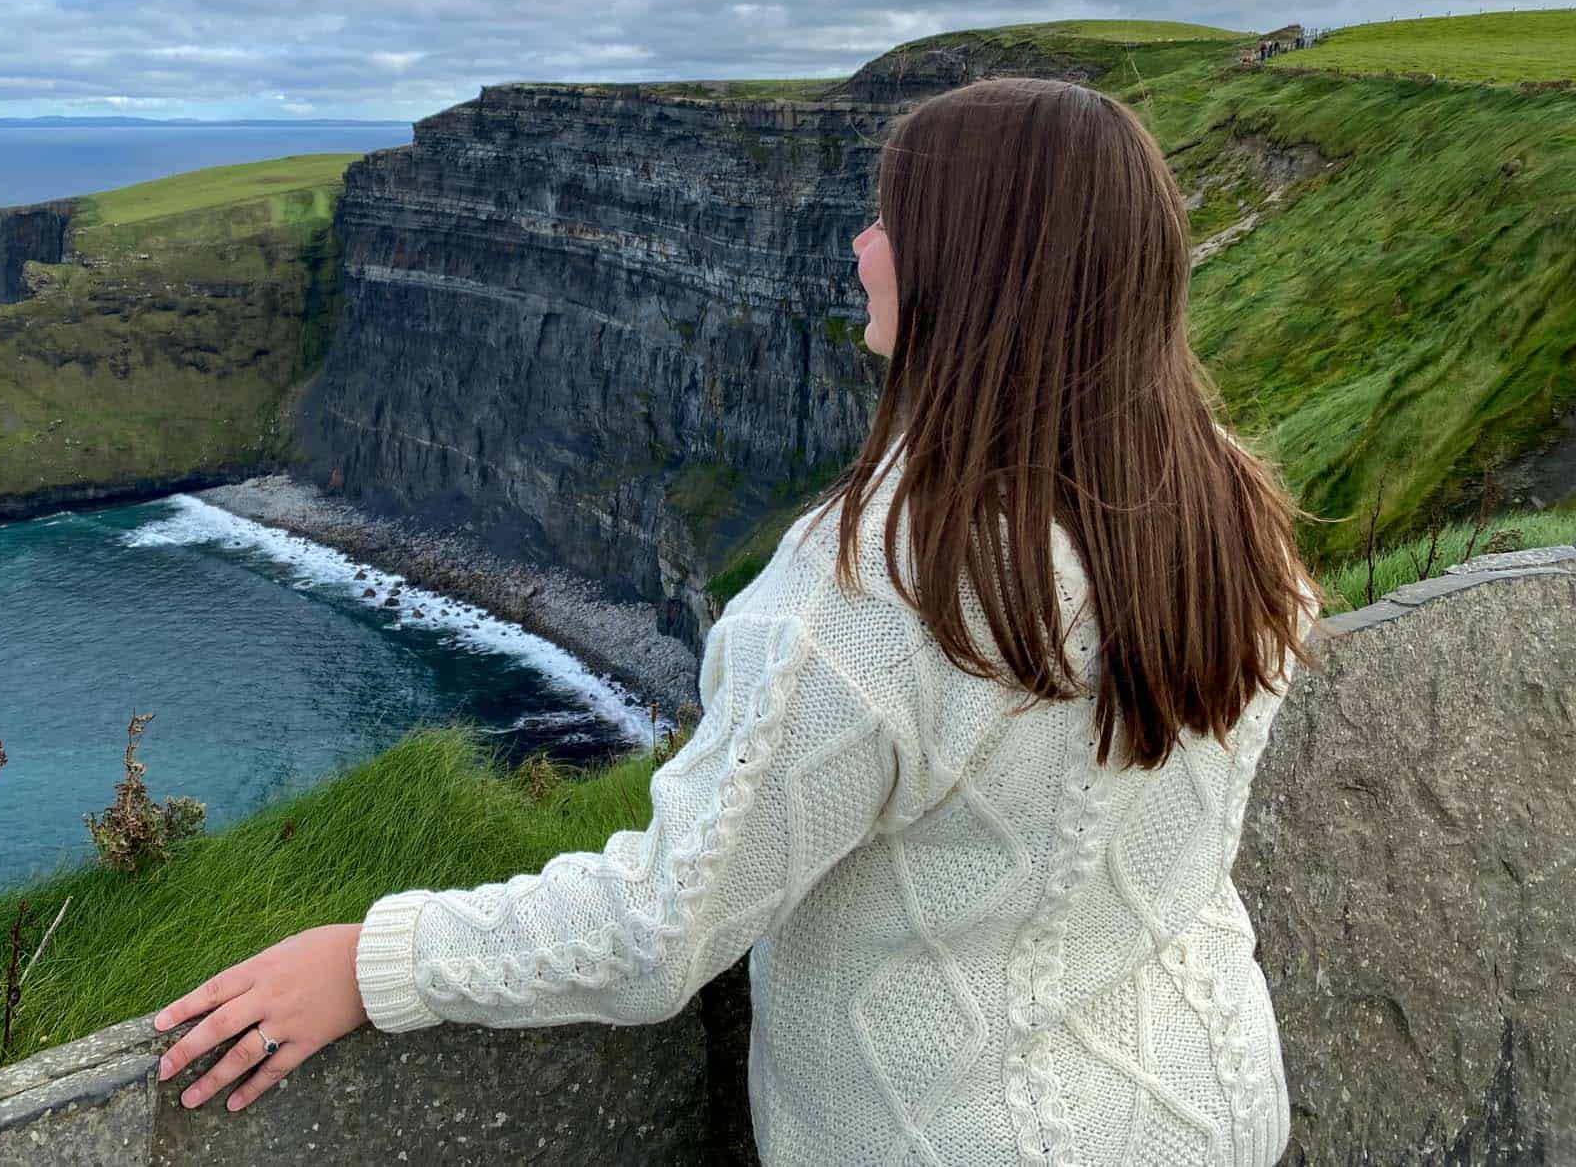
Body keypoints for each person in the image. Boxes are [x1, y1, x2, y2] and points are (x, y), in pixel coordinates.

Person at [151, 77, 1329, 1165]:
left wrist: (374, 961)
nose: (861, 248)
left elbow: (666, 922)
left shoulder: (881, 583)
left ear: (973, 266)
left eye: (890, 221)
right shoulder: (1232, 511)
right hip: (1208, 1101)